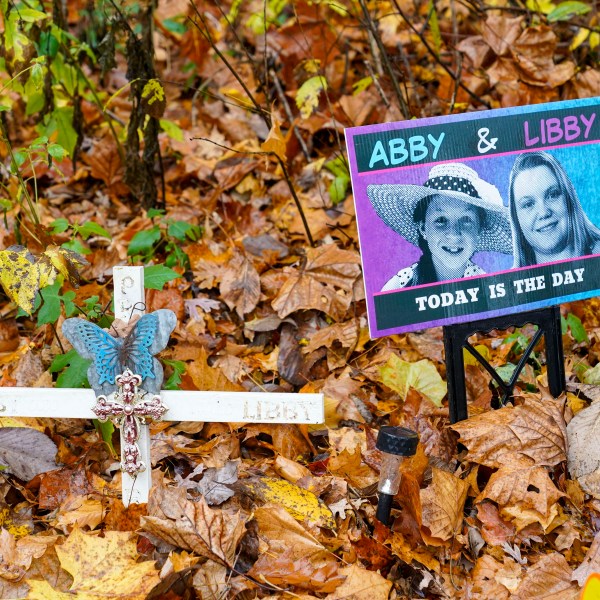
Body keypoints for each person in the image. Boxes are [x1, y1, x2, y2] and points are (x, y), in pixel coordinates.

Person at [368, 163, 513, 290]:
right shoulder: (400, 286)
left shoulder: (488, 289)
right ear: (423, 228)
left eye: (466, 219)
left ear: (479, 231)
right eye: (441, 219)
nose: (454, 234)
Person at [509, 151, 600, 267]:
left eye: (552, 195)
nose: (543, 212)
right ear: (516, 219)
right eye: (528, 204)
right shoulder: (510, 282)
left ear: (569, 198)